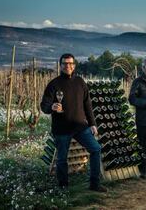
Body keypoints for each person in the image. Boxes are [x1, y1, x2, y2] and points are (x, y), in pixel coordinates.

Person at [40, 53, 106, 192]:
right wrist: (51, 107)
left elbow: (87, 104)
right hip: (62, 129)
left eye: (70, 63)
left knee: (96, 149)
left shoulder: (80, 82)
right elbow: (44, 105)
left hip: (81, 127)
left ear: (74, 65)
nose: (68, 66)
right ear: (60, 65)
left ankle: (94, 184)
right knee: (62, 159)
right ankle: (63, 187)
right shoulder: (54, 84)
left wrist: (93, 123)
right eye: (65, 63)